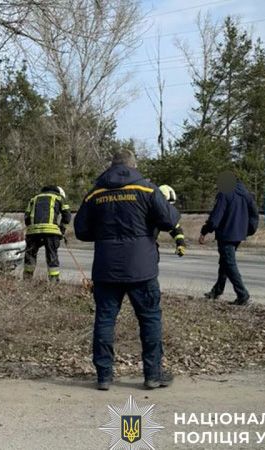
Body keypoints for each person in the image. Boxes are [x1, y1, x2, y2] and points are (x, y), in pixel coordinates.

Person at [74, 150, 180, 391]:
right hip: (141, 268)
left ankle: (104, 377)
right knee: (149, 319)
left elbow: (81, 230)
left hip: (106, 268)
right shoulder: (146, 189)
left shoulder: (96, 193)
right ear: (133, 166)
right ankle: (153, 375)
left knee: (104, 320)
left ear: (111, 166)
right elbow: (170, 220)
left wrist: (104, 235)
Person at [199, 172, 259, 306]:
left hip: (226, 235)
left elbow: (215, 218)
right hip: (238, 235)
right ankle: (217, 291)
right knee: (225, 263)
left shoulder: (224, 194)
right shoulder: (246, 194)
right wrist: (248, 230)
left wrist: (204, 231)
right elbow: (255, 214)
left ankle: (243, 295)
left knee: (230, 265)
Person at [23, 185, 72, 283]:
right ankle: (53, 281)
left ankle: (27, 280)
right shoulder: (59, 197)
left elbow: (27, 217)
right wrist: (62, 229)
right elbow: (67, 215)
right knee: (51, 255)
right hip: (51, 232)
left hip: (33, 232)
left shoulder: (34, 198)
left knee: (30, 255)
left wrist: (32, 228)